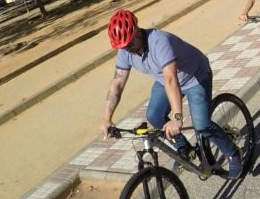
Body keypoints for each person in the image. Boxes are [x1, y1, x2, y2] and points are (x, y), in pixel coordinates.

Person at [101, 9, 242, 179]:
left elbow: (171, 79)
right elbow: (117, 82)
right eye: (122, 47)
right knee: (154, 116)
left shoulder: (159, 41)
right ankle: (185, 149)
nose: (127, 50)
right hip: (165, 81)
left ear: (137, 31)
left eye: (129, 44)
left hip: (194, 77)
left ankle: (233, 153)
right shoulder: (125, 51)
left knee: (202, 125)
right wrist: (107, 118)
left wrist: (177, 117)